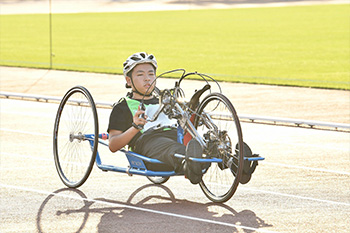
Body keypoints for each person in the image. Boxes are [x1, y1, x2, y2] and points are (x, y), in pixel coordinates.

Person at [107, 52, 203, 184]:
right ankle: (189, 163)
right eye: (140, 75)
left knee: (202, 145)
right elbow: (113, 145)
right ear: (128, 80)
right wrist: (135, 128)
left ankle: (233, 162)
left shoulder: (166, 100)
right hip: (148, 144)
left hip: (175, 138)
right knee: (171, 148)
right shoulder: (122, 107)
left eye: (151, 74)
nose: (147, 78)